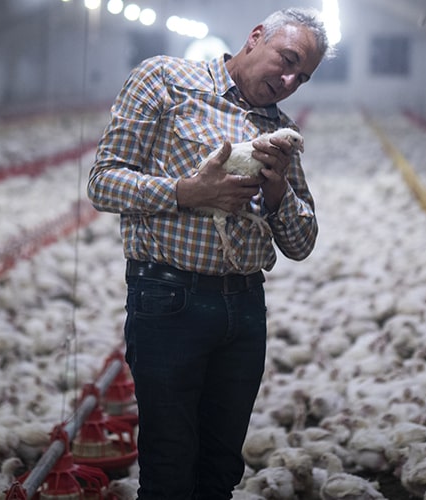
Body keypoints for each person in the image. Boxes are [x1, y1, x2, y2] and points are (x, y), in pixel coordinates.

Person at [87, 7, 332, 499]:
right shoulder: (165, 80)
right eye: (285, 60)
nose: (288, 80)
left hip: (243, 309)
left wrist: (280, 188)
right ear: (256, 36)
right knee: (171, 460)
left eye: (301, 77)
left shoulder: (279, 132)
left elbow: (302, 245)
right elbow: (103, 182)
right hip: (169, 299)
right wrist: (187, 192)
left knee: (221, 465)